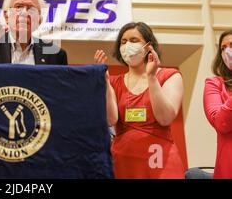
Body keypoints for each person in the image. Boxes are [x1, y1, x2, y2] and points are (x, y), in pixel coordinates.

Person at [94, 21, 185, 178]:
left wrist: (151, 77)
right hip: (123, 161)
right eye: (123, 41)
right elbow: (111, 119)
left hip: (160, 160)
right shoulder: (114, 81)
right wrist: (105, 84)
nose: (127, 45)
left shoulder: (170, 75)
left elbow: (165, 118)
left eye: (134, 40)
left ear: (149, 46)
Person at [203, 29, 232, 179]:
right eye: (223, 48)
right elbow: (221, 124)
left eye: (231, 45)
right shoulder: (214, 84)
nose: (228, 51)